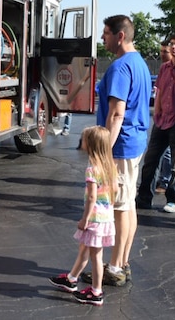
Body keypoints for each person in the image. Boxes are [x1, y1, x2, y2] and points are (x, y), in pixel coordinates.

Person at [84, 15, 151, 287]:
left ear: (120, 36)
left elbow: (116, 114)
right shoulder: (140, 63)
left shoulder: (122, 67)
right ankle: (122, 262)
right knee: (129, 205)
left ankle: (114, 268)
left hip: (121, 146)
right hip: (134, 144)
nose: (103, 38)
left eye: (106, 33)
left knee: (121, 208)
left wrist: (103, 153)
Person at [49, 126, 116, 306]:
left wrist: (85, 219)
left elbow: (92, 197)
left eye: (84, 139)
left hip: (94, 219)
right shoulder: (110, 167)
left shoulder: (92, 169)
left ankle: (96, 291)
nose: (82, 142)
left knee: (96, 256)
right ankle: (71, 279)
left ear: (91, 145)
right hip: (106, 218)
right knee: (84, 249)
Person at [136, 32, 175, 213]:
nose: (173, 47)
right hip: (162, 121)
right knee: (150, 161)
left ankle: (173, 200)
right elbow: (159, 92)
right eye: (172, 44)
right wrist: (156, 113)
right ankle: (143, 198)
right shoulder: (165, 68)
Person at [155, 41, 172, 193]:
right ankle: (158, 181)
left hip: (174, 119)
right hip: (161, 117)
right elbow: (159, 91)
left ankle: (164, 182)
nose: (162, 54)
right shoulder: (163, 69)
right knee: (155, 153)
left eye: (164, 52)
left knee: (167, 153)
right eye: (160, 51)